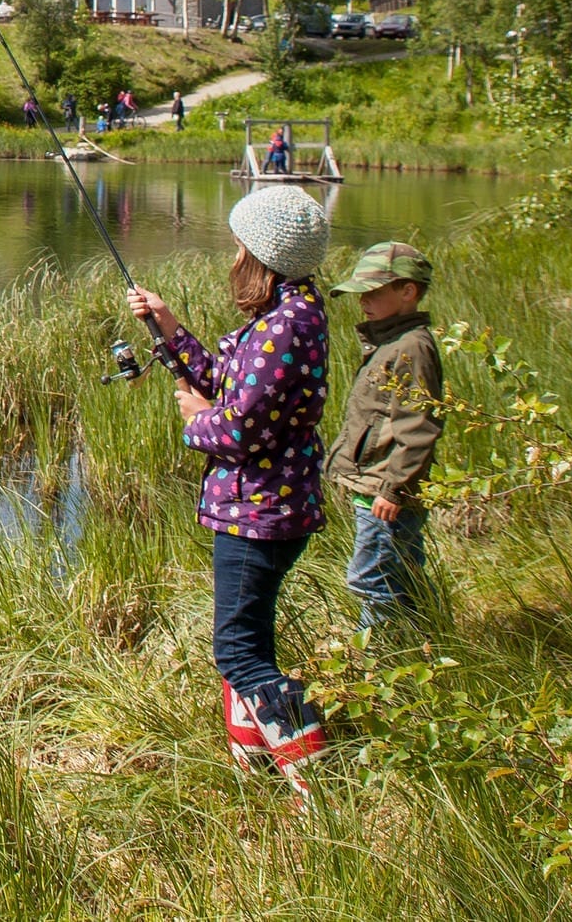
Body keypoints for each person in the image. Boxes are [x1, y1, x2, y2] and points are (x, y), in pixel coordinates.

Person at [128, 185, 332, 795]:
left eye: (239, 244)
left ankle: (316, 776)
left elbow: (239, 426)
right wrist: (169, 328)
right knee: (251, 645)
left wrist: (196, 419)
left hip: (259, 510)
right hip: (264, 506)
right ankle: (256, 770)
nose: (232, 255)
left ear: (262, 255)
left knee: (239, 654)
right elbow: (229, 383)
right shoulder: (287, 318)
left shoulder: (287, 328)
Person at [325, 242, 443, 630]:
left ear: (408, 291)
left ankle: (378, 663)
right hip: (377, 488)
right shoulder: (390, 343)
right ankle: (427, 642)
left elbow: (418, 426)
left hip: (384, 493)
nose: (364, 302)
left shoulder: (411, 347)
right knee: (402, 575)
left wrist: (394, 488)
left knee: (371, 581)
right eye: (362, 294)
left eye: (374, 293)